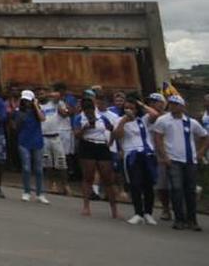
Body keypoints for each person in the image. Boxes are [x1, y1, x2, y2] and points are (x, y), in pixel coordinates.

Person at [151, 94, 208, 230]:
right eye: (171, 104)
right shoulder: (163, 120)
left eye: (176, 104)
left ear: (182, 107)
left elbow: (205, 136)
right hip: (173, 159)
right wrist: (164, 156)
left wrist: (200, 153)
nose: (173, 106)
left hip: (189, 160)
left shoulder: (191, 122)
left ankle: (192, 220)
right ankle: (179, 219)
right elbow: (158, 138)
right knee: (176, 189)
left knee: (190, 190)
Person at [112, 94, 160, 225]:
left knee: (148, 184)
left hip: (146, 153)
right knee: (135, 184)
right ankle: (138, 213)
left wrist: (141, 104)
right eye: (127, 108)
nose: (129, 110)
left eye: (132, 108)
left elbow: (155, 114)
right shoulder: (119, 120)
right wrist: (124, 121)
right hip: (131, 154)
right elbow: (117, 135)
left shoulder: (143, 119)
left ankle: (148, 213)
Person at [75, 92, 119, 218]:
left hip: (101, 145)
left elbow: (112, 130)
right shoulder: (80, 118)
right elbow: (77, 135)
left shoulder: (101, 117)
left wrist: (109, 143)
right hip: (87, 145)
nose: (89, 109)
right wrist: (86, 127)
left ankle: (114, 210)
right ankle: (86, 206)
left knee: (108, 179)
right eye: (86, 107)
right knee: (88, 177)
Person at [13, 89, 47, 203]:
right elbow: (16, 126)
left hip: (37, 142)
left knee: (39, 169)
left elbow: (42, 118)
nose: (27, 103)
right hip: (24, 142)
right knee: (26, 168)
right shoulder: (19, 112)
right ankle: (26, 191)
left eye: (29, 101)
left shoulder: (37, 111)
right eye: (25, 101)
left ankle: (40, 193)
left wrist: (36, 106)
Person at [39, 86, 70, 196]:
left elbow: (58, 95)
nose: (41, 95)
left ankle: (65, 185)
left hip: (56, 136)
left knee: (61, 162)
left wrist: (46, 94)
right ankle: (52, 184)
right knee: (48, 163)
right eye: (39, 94)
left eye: (42, 93)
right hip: (44, 137)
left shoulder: (53, 103)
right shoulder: (37, 106)